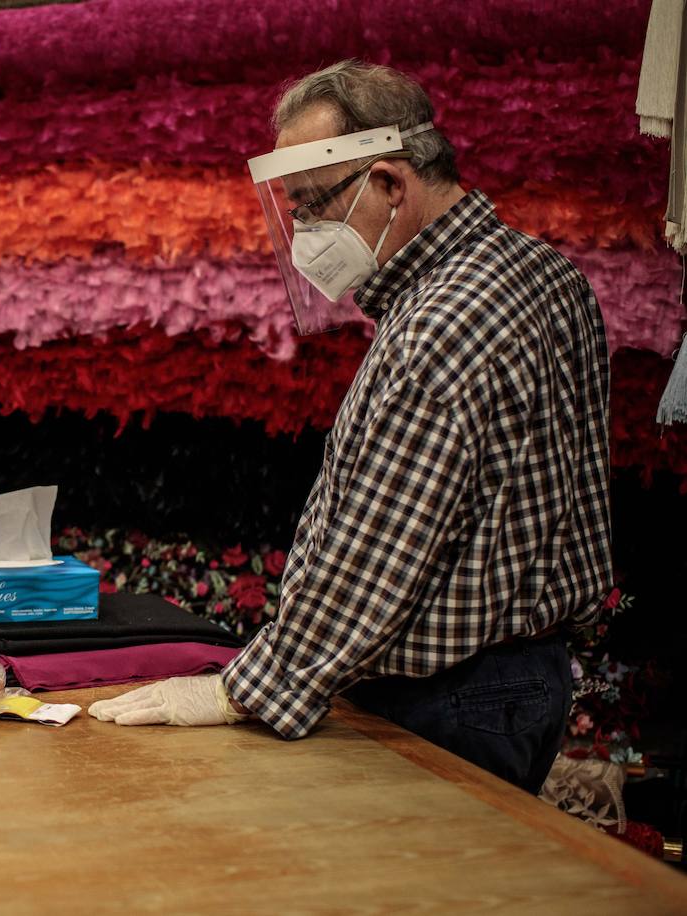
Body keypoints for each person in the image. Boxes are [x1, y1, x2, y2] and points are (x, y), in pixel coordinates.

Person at [90, 61, 612, 795]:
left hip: (451, 696)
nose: (303, 231)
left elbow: (382, 549)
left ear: (392, 185)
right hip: (523, 678)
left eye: (312, 204)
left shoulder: (444, 320)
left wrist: (247, 689)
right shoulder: (543, 271)